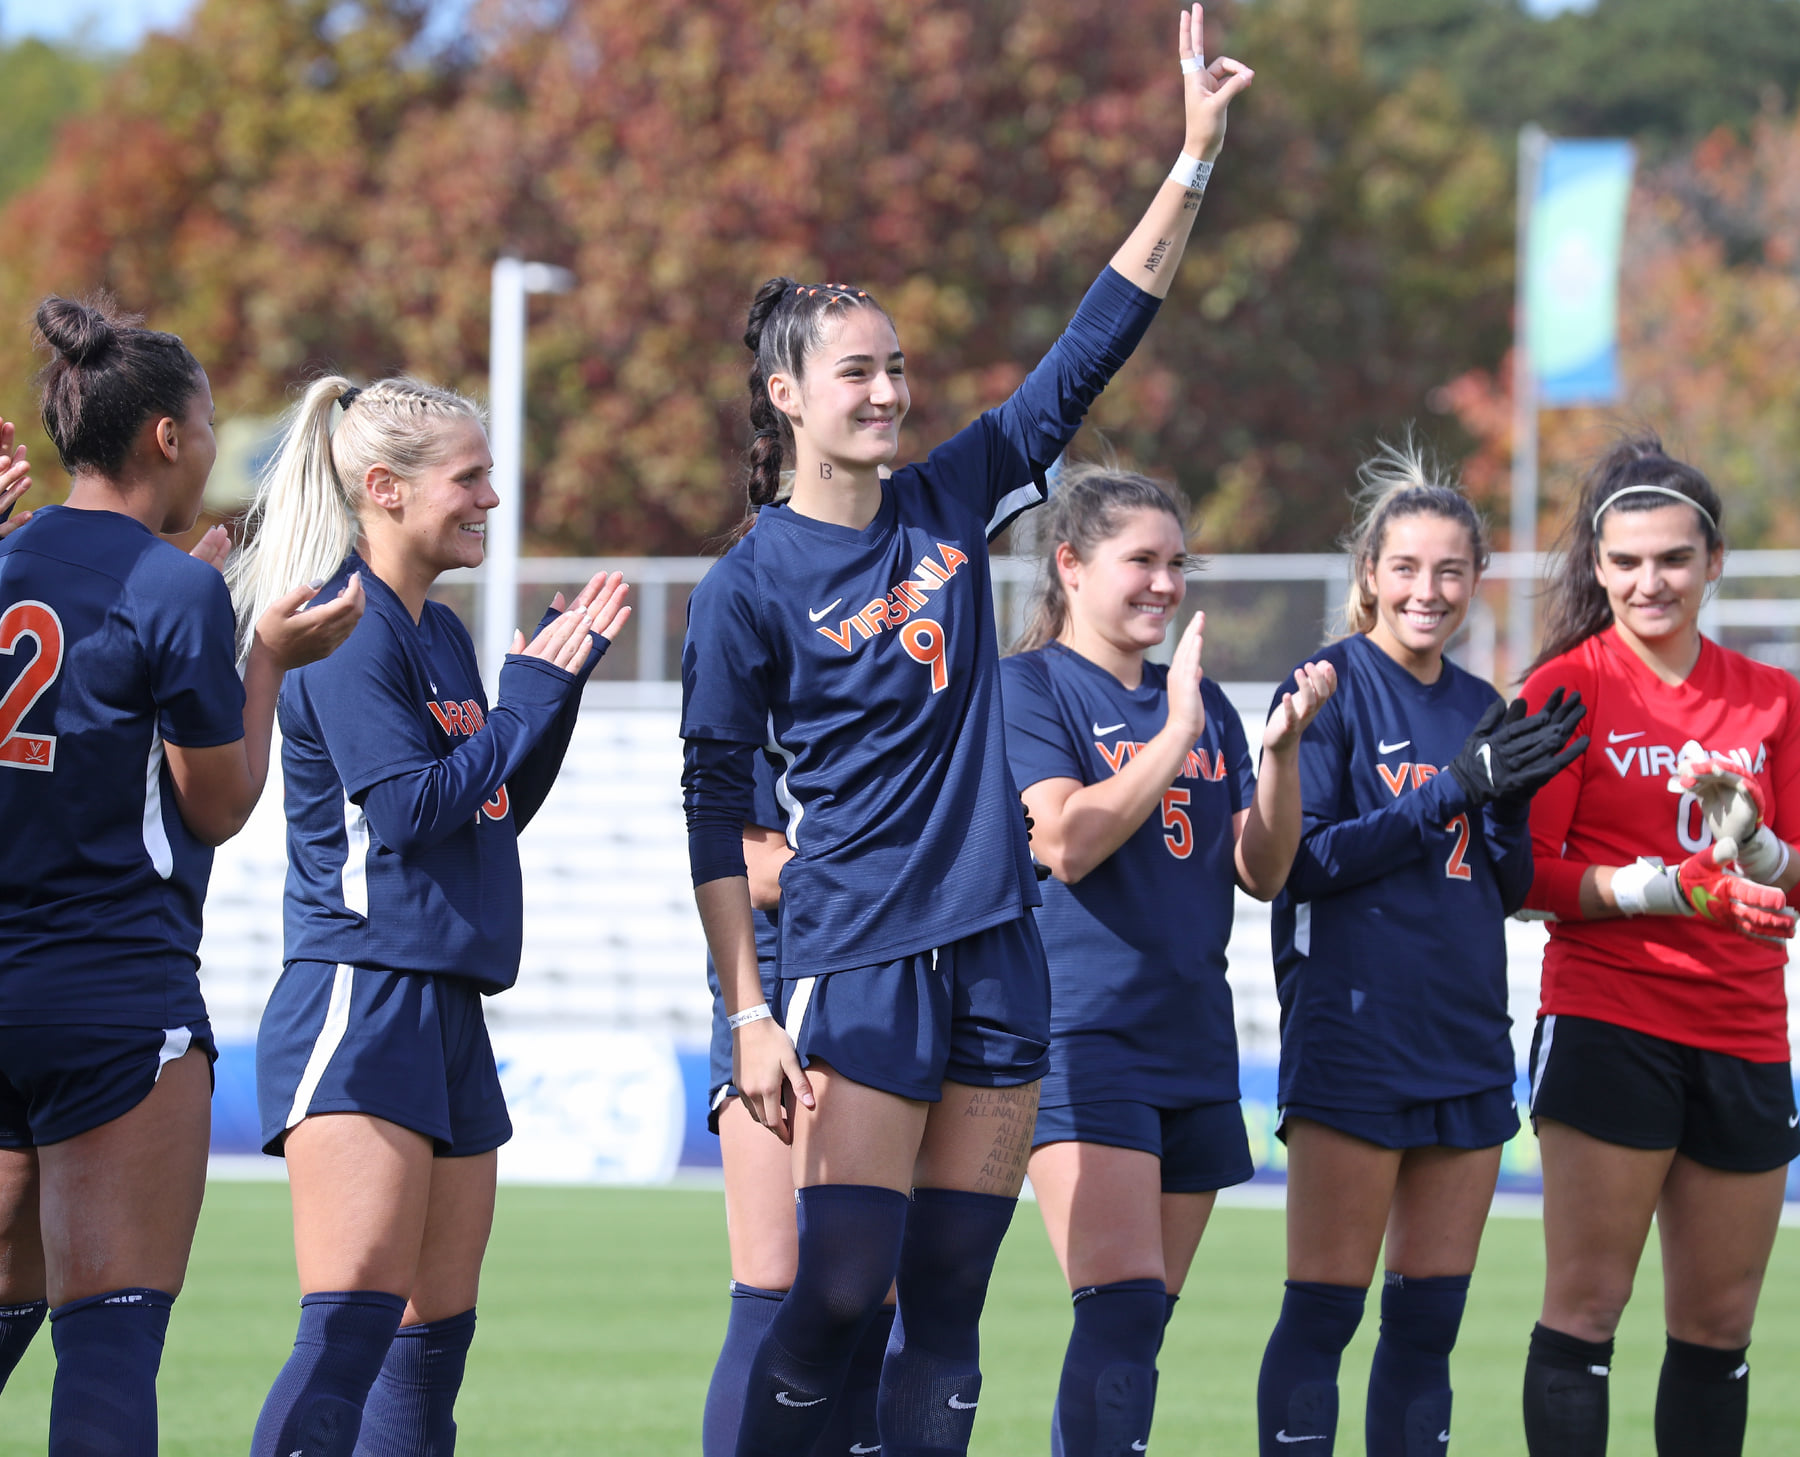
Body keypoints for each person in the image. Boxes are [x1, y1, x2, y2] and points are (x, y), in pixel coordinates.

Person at [681, 11, 1251, 1452]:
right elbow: (709, 807)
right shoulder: (747, 586)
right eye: (854, 372)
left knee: (947, 1304)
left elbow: (1093, 345)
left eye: (895, 367)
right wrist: (748, 1009)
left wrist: (1189, 161)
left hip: (996, 954)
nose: (887, 391)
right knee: (838, 1294)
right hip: (856, 956)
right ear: (787, 394)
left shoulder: (950, 501)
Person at [228, 375, 630, 1456]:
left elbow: (486, 811)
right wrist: (523, 707)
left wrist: (554, 700)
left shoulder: (439, 635)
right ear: (383, 489)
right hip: (364, 993)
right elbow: (406, 814)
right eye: (470, 478)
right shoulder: (348, 624)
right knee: (349, 1333)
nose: (491, 499)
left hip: (447, 1001)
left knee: (429, 1342)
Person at [0, 297, 362, 1452]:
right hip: (113, 994)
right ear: (165, 435)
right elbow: (218, 801)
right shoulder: (178, 591)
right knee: (106, 1346)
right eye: (207, 426)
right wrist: (259, 653)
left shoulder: (12, 560)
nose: (214, 449)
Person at [1254, 442, 1588, 1456]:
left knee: (1428, 1323)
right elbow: (1301, 863)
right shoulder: (1327, 683)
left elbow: (1503, 884)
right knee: (1324, 1311)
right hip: (1355, 1036)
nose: (1427, 591)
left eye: (1450, 571)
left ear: (1475, 579)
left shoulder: (1482, 705)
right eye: (1405, 568)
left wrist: (1507, 808)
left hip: (1464, 1035)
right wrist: (1452, 789)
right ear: (1369, 574)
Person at [999, 465, 1334, 1453]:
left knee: (1138, 1329)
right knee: (1118, 1308)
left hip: (1192, 1034)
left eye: (1176, 563)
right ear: (1069, 563)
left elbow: (1261, 870)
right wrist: (1176, 729)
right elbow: (1064, 840)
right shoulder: (1028, 687)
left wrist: (1278, 755)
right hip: (1079, 1033)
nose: (1164, 583)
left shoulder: (1207, 703)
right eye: (1139, 560)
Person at [1516, 435, 1798, 1457]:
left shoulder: (1771, 697)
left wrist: (1762, 849)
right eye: (1627, 561)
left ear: (1714, 560)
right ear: (1598, 565)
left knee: (1719, 1331)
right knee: (1585, 1313)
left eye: (1673, 558)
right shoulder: (1565, 687)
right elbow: (1526, 877)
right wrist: (1656, 886)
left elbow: (1795, 876)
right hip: (1609, 1021)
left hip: (1746, 1031)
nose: (1650, 581)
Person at [700, 756, 895, 1457]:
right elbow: (747, 860)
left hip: (899, 989)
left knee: (879, 1296)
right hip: (785, 996)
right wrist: (898, 873)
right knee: (773, 1281)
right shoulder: (771, 663)